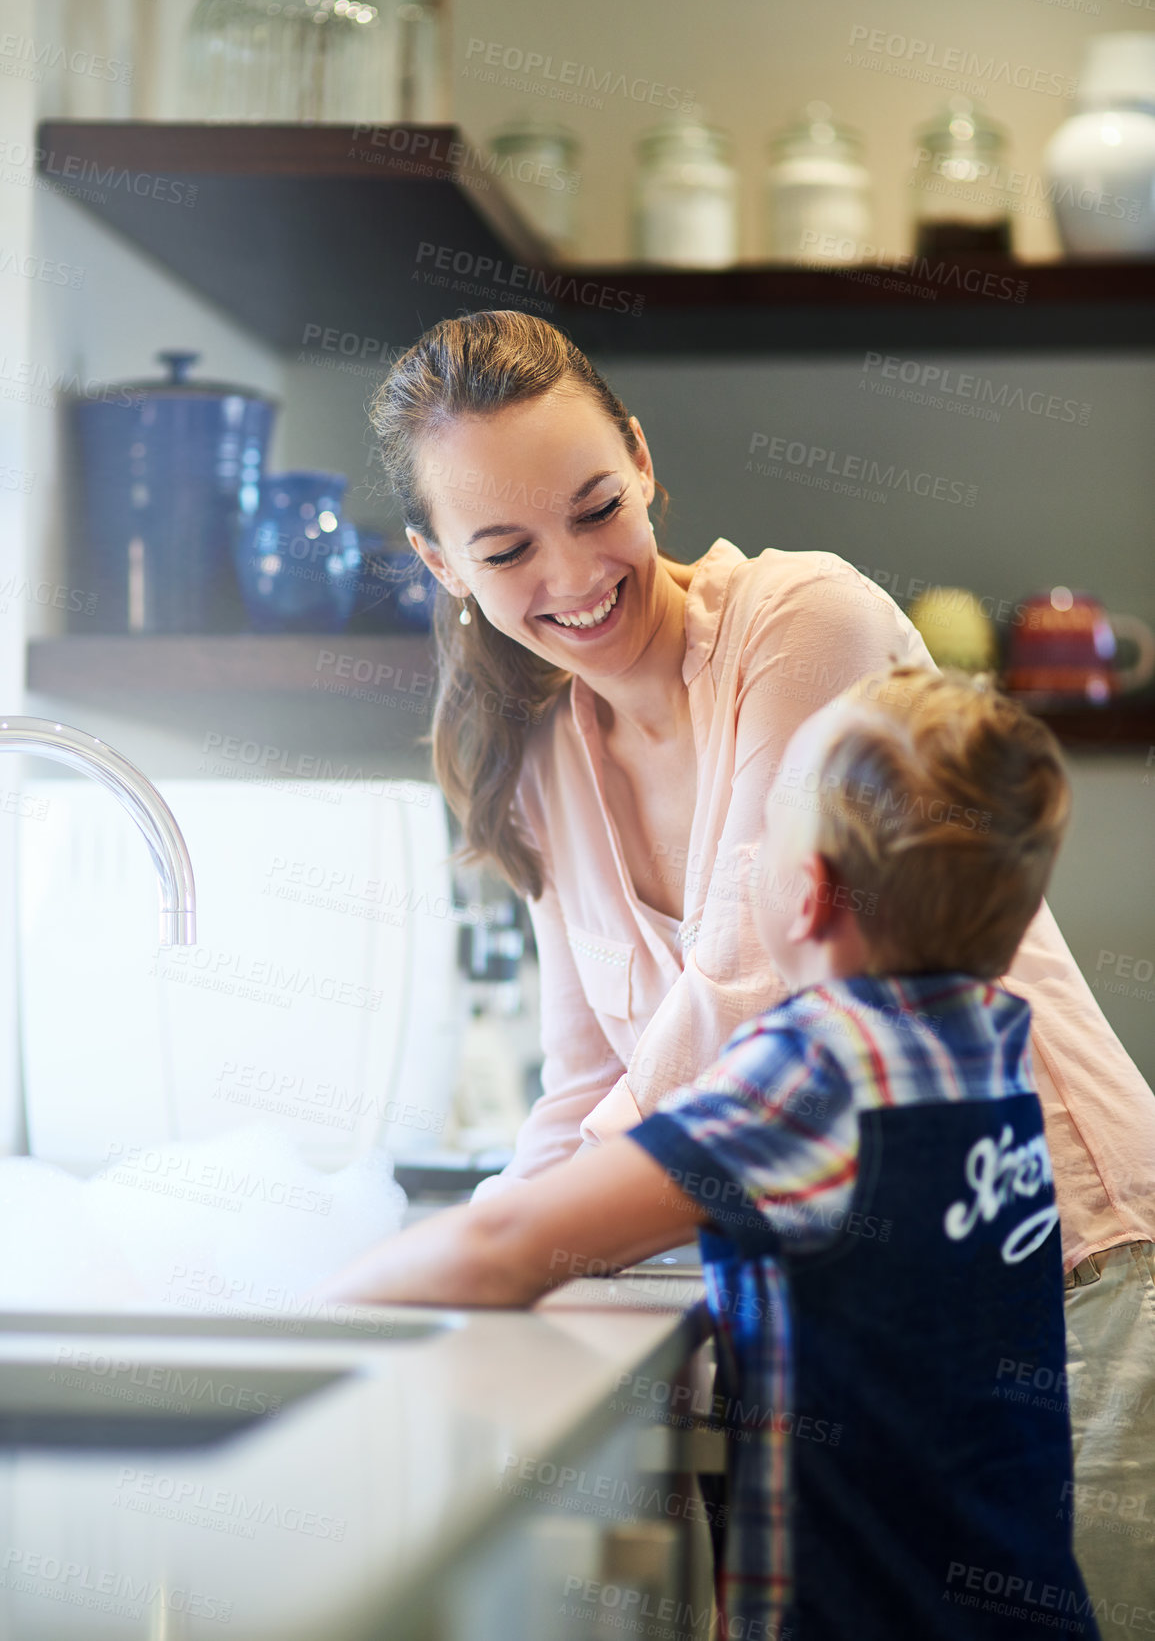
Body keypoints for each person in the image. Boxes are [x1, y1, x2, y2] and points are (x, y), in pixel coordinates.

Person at [366, 310, 1155, 1608]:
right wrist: (478, 1254)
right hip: (881, 1326)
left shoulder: (804, 622)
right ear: (438, 563)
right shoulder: (544, 762)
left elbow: (737, 1005)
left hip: (1066, 1267)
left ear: (640, 456)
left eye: (593, 504)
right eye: (504, 547)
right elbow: (581, 1085)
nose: (570, 572)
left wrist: (501, 1243)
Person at [317, 666, 1102, 1641]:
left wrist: (317, 1324)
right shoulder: (984, 1043)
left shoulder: (819, 1062)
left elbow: (507, 1243)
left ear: (808, 895)